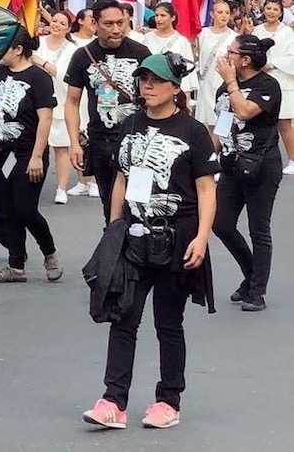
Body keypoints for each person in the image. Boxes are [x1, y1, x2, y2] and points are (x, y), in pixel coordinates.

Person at [82, 52, 216, 432]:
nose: (148, 86)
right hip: (133, 235)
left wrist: (202, 238)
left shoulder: (192, 132)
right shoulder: (130, 125)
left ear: (175, 88)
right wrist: (113, 229)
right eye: (143, 79)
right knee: (122, 317)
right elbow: (122, 179)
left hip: (178, 237)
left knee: (168, 323)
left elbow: (206, 190)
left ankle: (168, 400)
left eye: (156, 80)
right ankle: (113, 401)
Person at [0, 30, 60, 283]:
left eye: (4, 47)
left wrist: (37, 156)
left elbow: (45, 119)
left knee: (24, 208)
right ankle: (16, 264)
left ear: (18, 49)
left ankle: (50, 252)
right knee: (4, 209)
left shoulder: (38, 77)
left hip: (27, 152)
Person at [211, 34, 282, 311]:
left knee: (258, 229)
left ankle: (257, 291)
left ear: (245, 59)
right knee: (222, 224)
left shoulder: (267, 85)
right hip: (231, 164)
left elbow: (243, 111)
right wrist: (205, 159)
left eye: (230, 52)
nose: (225, 56)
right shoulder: (225, 89)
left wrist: (230, 82)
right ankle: (251, 274)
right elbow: (224, 123)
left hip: (261, 166)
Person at [65, 0, 149, 222]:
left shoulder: (141, 52)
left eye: (120, 22)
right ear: (94, 24)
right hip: (101, 142)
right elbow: (72, 102)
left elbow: (155, 96)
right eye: (109, 24)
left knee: (138, 204)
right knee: (109, 204)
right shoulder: (82, 56)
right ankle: (113, 249)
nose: (116, 29)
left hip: (137, 140)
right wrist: (74, 143)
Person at [35, 8, 78, 204]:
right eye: (54, 21)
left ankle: (62, 188)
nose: (56, 25)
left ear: (68, 28)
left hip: (59, 102)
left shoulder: (72, 49)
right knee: (34, 147)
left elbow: (64, 75)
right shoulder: (39, 43)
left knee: (61, 148)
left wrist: (42, 63)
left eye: (62, 23)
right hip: (35, 102)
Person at [251, 0, 294, 175]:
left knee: (284, 123)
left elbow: (292, 56)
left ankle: (292, 159)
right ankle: (257, 158)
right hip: (259, 82)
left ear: (281, 12)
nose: (271, 12)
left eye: (275, 9)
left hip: (282, 79)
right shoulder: (256, 30)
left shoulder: (288, 33)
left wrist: (272, 63)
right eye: (268, 8)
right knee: (258, 123)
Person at [193, 0, 236, 127]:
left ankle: (223, 147)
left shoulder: (234, 37)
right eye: (220, 12)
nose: (224, 15)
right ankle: (210, 148)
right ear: (212, 14)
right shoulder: (202, 34)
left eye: (227, 12)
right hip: (205, 83)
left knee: (223, 125)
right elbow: (196, 55)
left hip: (223, 83)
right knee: (208, 123)